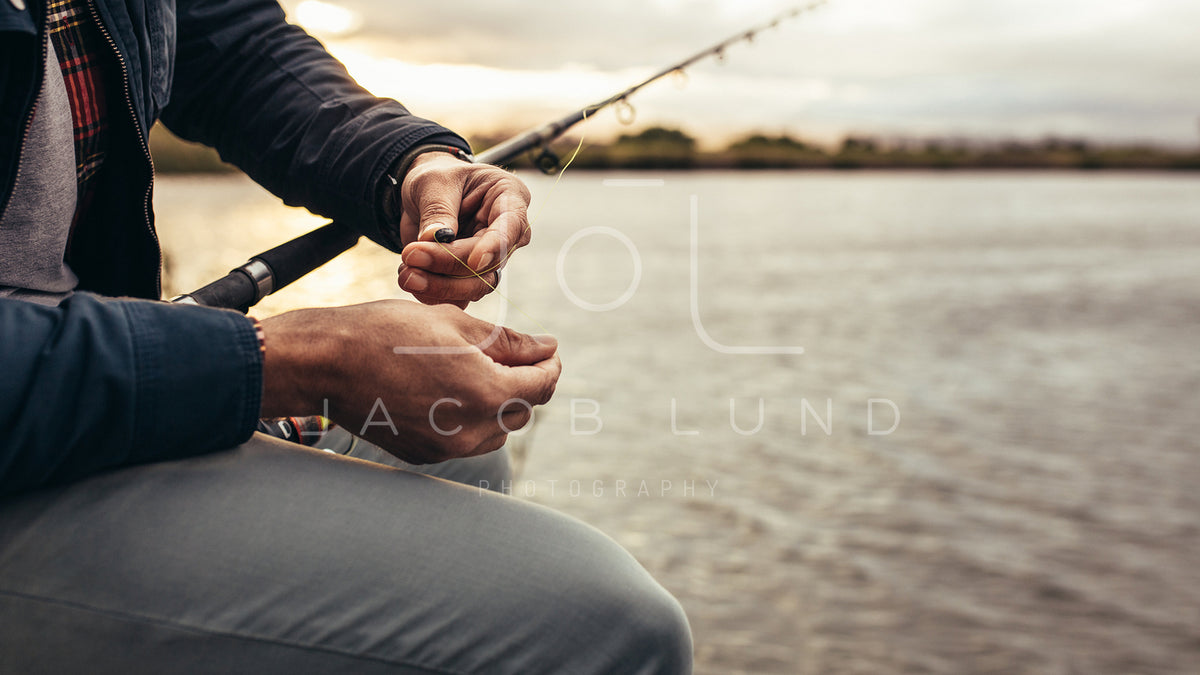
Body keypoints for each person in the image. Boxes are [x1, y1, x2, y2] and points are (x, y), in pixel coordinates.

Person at [0, 0, 693, 671]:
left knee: (457, 456)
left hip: (79, 396)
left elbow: (233, 47)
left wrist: (410, 166)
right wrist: (301, 358)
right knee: (615, 626)